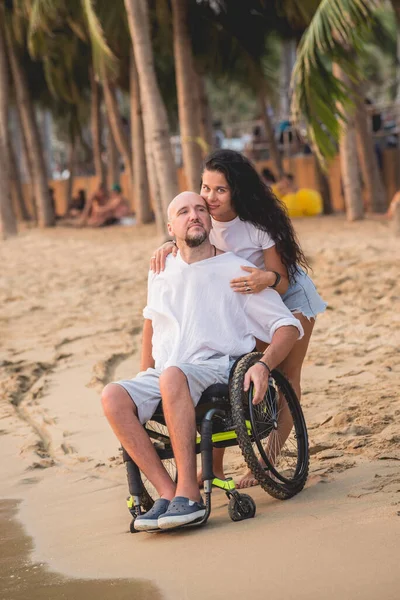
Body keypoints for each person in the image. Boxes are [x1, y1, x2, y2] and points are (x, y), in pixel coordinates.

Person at [101, 191, 303, 532]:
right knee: (113, 396)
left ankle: (190, 495)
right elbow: (152, 323)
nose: (194, 215)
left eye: (200, 209)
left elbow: (287, 326)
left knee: (172, 376)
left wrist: (264, 364)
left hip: (216, 368)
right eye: (183, 211)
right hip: (169, 371)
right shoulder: (161, 269)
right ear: (171, 226)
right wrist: (141, 377)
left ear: (209, 221)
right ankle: (168, 493)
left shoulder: (235, 268)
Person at [152, 149, 326, 488]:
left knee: (286, 375)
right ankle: (213, 468)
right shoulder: (202, 218)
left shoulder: (258, 222)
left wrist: (266, 279)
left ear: (237, 191)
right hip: (244, 300)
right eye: (205, 188)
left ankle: (267, 459)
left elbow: (282, 278)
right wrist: (166, 245)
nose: (209, 198)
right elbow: (187, 242)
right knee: (230, 370)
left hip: (287, 297)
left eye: (220, 190)